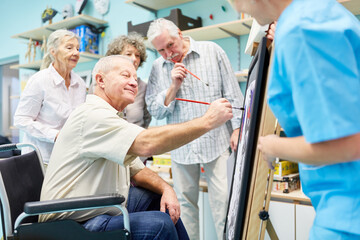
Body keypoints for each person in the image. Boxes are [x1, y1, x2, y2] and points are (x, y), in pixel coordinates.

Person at [40, 55, 234, 239]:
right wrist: (208, 121)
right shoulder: (93, 116)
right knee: (160, 224)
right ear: (100, 80)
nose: (134, 82)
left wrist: (167, 189)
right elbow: (147, 144)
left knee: (161, 202)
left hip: (96, 209)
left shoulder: (109, 117)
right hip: (70, 224)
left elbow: (136, 169)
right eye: (126, 75)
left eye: (135, 77)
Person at [229, 0, 360, 239]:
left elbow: (349, 144)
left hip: (348, 211)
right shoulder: (315, 14)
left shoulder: (302, 27)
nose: (237, 9)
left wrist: (272, 145)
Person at [146, 18, 244, 239]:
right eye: (160, 50)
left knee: (224, 204)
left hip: (216, 141)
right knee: (184, 208)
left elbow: (232, 92)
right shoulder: (157, 67)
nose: (168, 54)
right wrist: (173, 86)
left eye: (170, 45)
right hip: (182, 146)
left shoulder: (212, 51)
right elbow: (155, 110)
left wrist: (237, 129)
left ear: (179, 33)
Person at [14, 29, 86, 166]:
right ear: (53, 51)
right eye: (69, 47)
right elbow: (21, 119)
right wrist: (54, 135)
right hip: (41, 159)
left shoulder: (80, 84)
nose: (76, 53)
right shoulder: (40, 80)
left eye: (77, 48)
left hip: (68, 158)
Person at [105, 32, 151, 128]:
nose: (134, 59)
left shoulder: (143, 87)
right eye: (128, 54)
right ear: (116, 56)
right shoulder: (103, 83)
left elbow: (146, 119)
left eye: (137, 55)